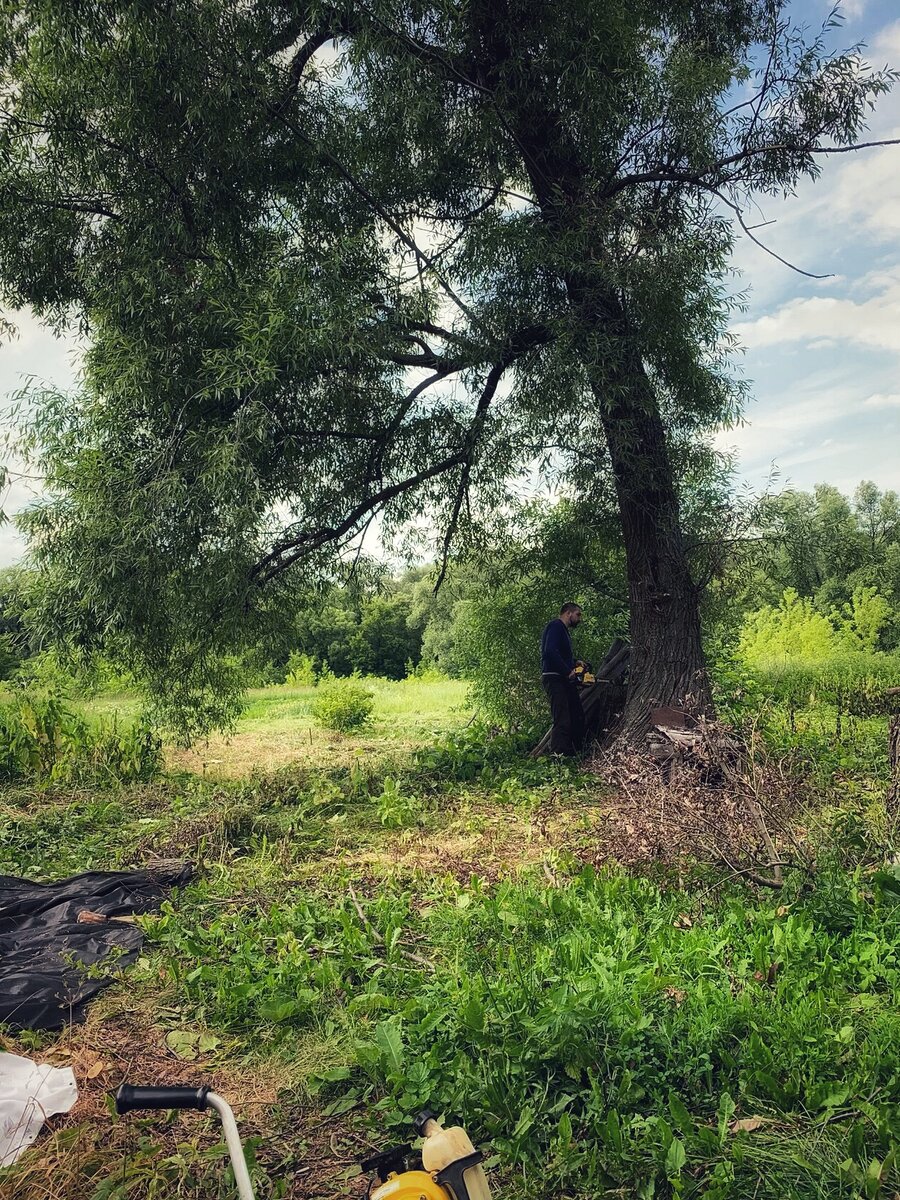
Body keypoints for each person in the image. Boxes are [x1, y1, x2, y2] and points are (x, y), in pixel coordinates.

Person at [540, 602, 585, 756]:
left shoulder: (563, 631)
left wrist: (574, 663)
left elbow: (560, 654)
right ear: (568, 613)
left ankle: (573, 752)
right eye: (578, 614)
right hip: (554, 678)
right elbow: (550, 652)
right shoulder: (556, 626)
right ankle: (558, 756)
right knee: (562, 718)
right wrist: (568, 671)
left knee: (576, 713)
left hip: (563, 678)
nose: (579, 618)